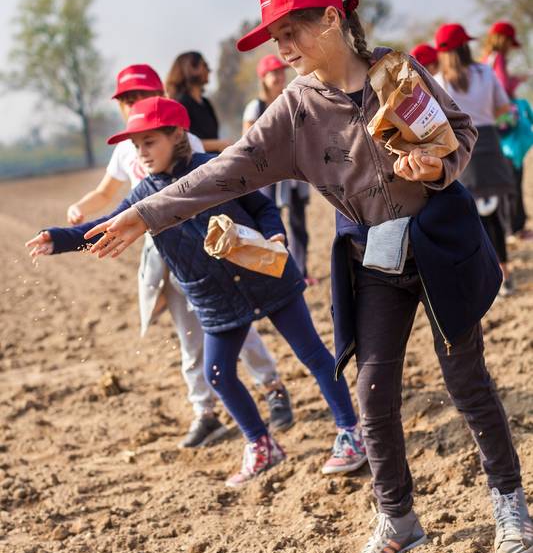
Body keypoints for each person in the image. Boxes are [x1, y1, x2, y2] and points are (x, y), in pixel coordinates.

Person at [82, 0, 532, 553]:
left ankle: (511, 505)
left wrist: (435, 166)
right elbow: (225, 169)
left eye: (292, 31)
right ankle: (399, 522)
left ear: (332, 18)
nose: (283, 48)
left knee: (467, 382)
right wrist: (148, 213)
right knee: (372, 395)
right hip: (373, 255)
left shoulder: (397, 72)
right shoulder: (294, 111)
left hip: (439, 243)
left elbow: (458, 133)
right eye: (275, 39)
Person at [27, 96, 367, 487]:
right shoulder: (144, 196)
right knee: (218, 373)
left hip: (265, 274)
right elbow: (108, 223)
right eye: (137, 146)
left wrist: (275, 233)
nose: (142, 152)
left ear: (177, 135)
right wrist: (59, 239)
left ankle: (350, 431)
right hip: (214, 297)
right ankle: (262, 444)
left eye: (150, 142)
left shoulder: (215, 169)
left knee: (313, 354)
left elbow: (262, 207)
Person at [67, 64, 294, 446]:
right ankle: (204, 412)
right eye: (125, 100)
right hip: (164, 252)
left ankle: (272, 386)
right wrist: (81, 206)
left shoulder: (184, 141)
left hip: (203, 245)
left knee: (234, 324)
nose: (131, 105)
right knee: (188, 335)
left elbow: (209, 185)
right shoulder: (125, 150)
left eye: (139, 97)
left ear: (159, 98)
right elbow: (107, 194)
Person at [434, 24, 516, 295]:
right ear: (466, 46)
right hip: (490, 145)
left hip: (458, 150)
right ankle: (504, 274)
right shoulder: (485, 72)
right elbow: (503, 110)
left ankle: (481, 278)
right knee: (493, 216)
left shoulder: (437, 80)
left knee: (469, 218)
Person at [242, 54, 315, 281]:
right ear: (263, 78)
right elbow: (249, 141)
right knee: (272, 223)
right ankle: (274, 274)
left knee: (298, 223)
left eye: (281, 72)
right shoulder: (255, 107)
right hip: (269, 174)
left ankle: (300, 271)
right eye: (273, 73)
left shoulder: (292, 99)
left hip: (296, 171)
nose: (279, 77)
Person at [483, 21, 533, 239]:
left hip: (493, 126)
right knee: (514, 173)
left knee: (505, 177)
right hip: (505, 125)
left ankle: (511, 227)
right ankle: (516, 227)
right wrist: (517, 80)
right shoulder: (498, 59)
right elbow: (503, 88)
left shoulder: (486, 60)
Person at [166, 51, 229, 153]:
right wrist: (220, 144)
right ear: (190, 68)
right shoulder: (180, 104)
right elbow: (183, 141)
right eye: (204, 65)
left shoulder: (206, 103)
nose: (209, 70)